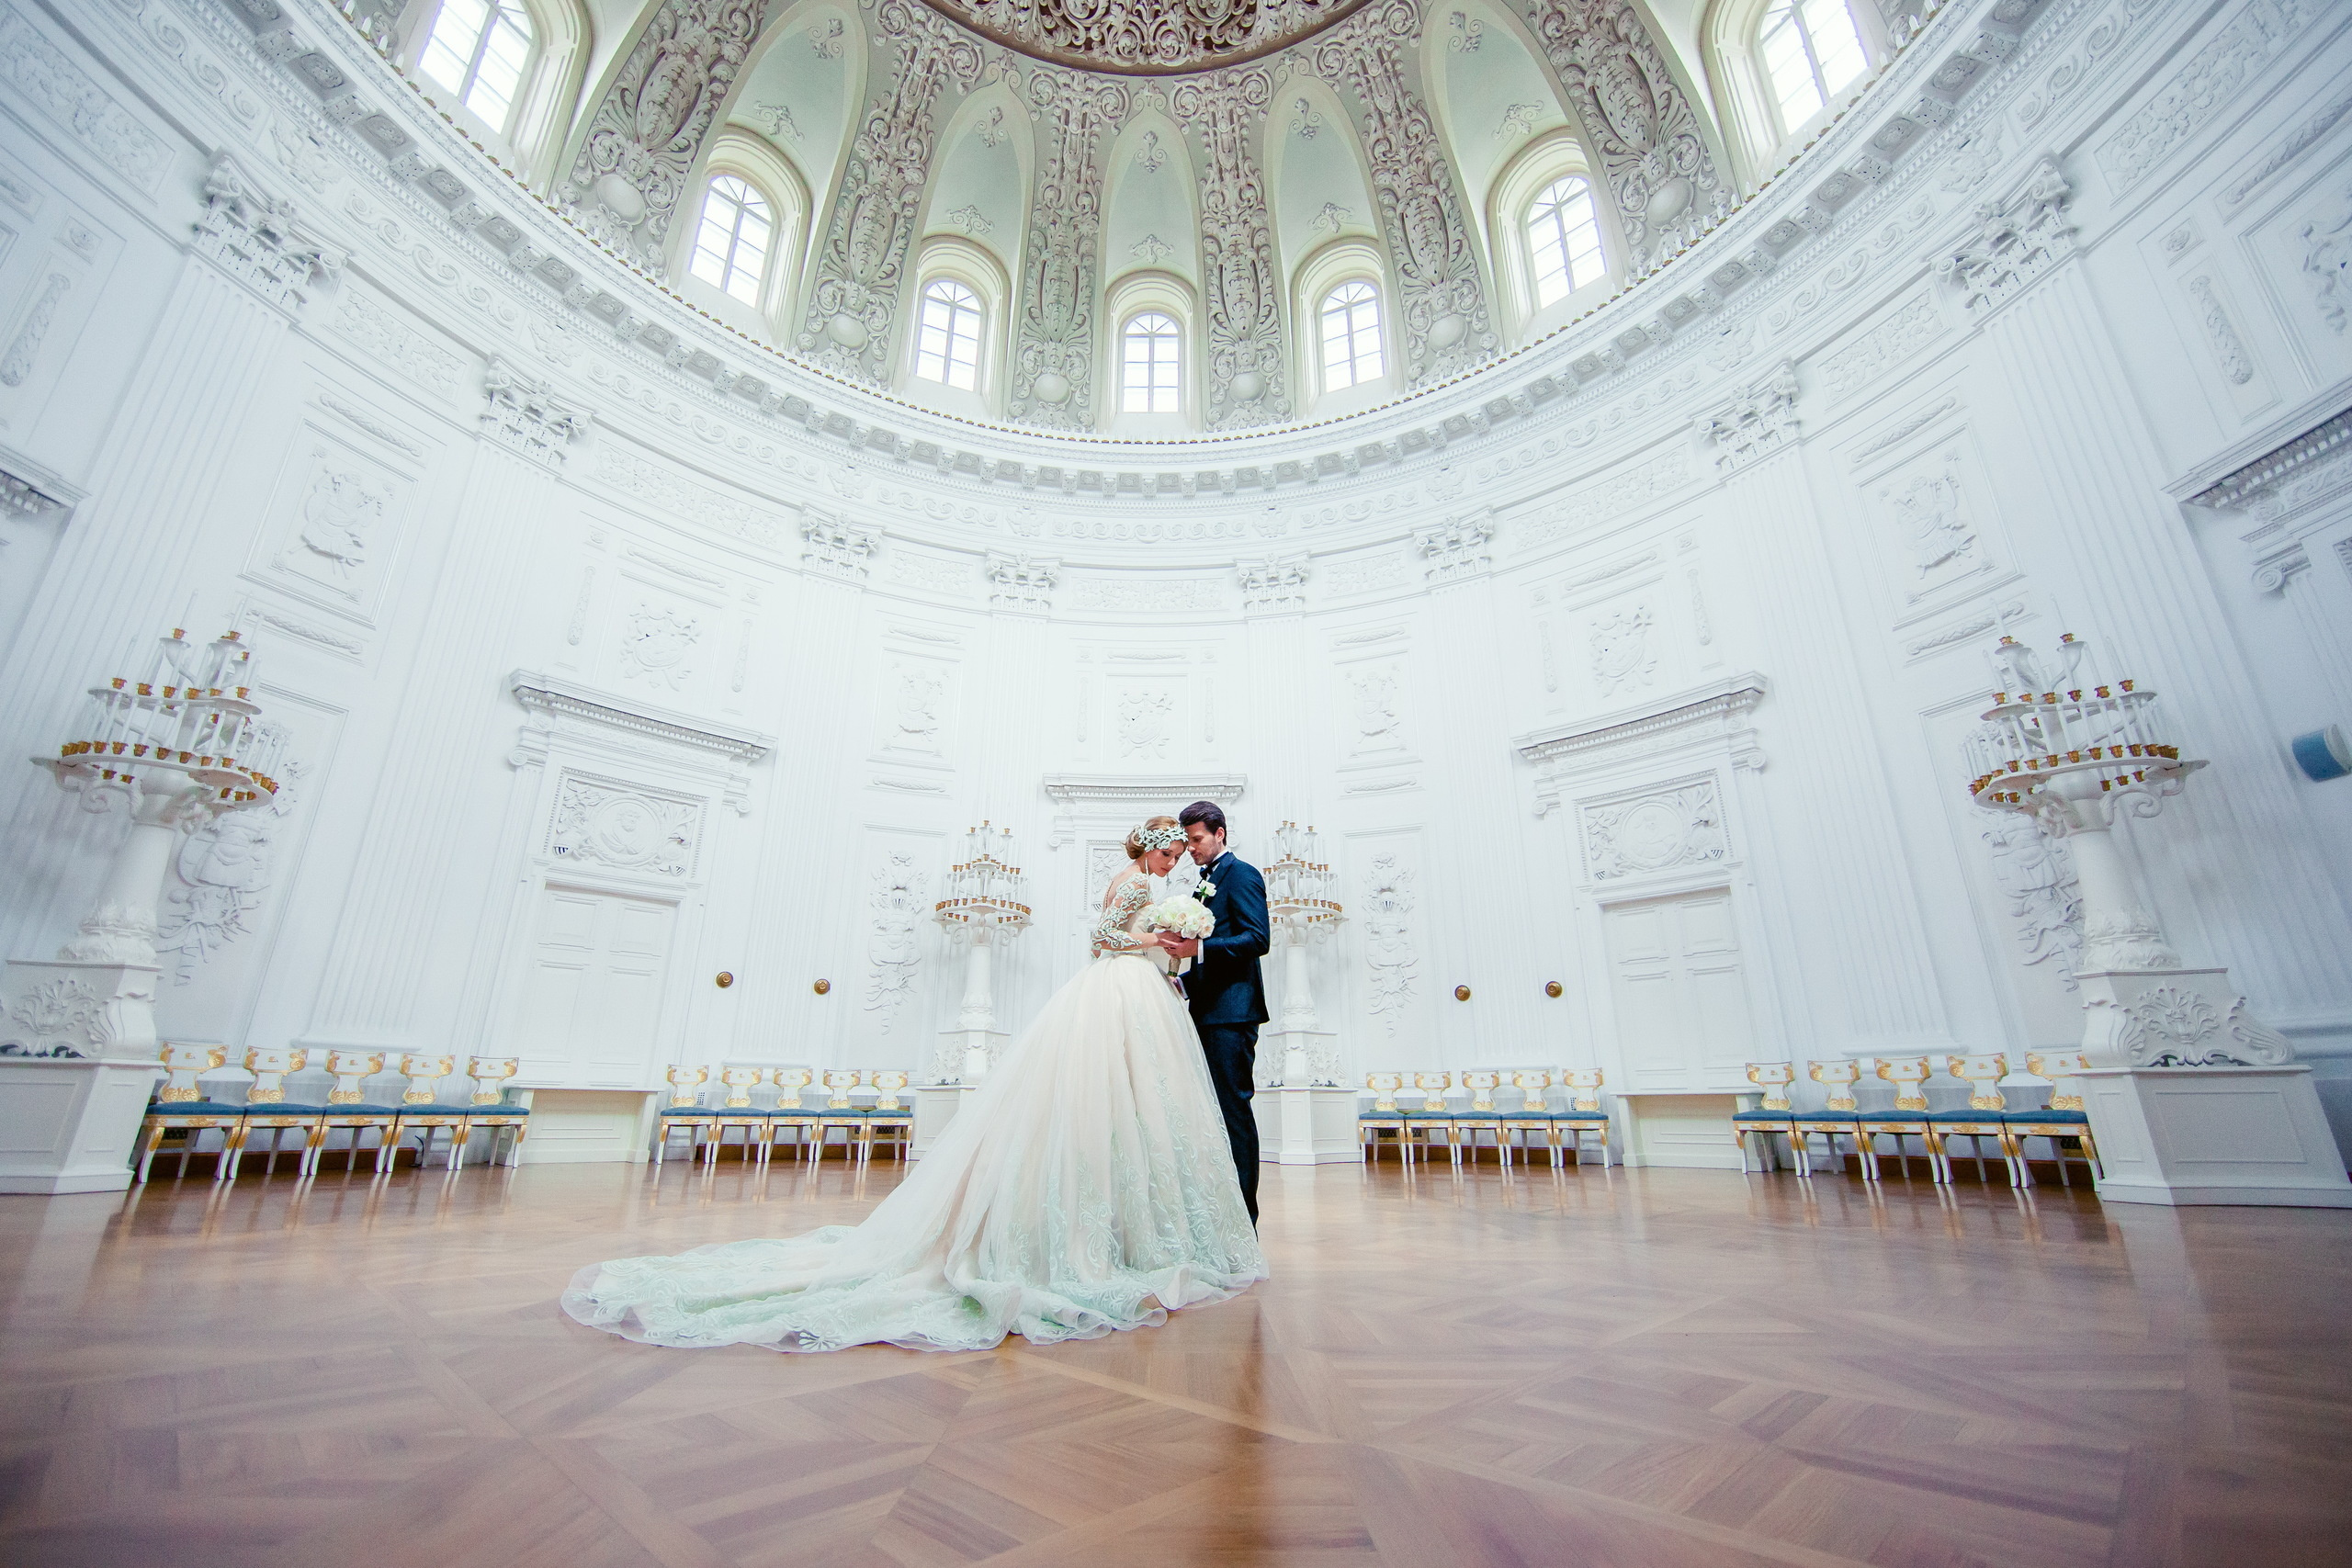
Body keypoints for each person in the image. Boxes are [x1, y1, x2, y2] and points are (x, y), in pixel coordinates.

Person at [560, 816, 1265, 1352]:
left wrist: (1173, 957)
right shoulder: (1138, 885)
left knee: (1141, 1106)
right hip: (1121, 986)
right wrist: (1164, 941)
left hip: (1141, 991)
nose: (1176, 862)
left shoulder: (1146, 883)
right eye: (1171, 851)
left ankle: (1138, 1222)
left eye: (1182, 852)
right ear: (1149, 850)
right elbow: (1105, 939)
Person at [1157, 801, 1271, 1225]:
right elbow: (1215, 950)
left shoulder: (1241, 874)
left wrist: (1197, 948)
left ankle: (1244, 1221)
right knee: (1213, 1113)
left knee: (1233, 1111)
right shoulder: (1206, 880)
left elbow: (1257, 939)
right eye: (1185, 841)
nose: (1190, 849)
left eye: (1197, 840)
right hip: (1208, 1009)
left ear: (1220, 833)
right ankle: (1220, 1217)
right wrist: (1183, 983)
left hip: (1232, 1014)